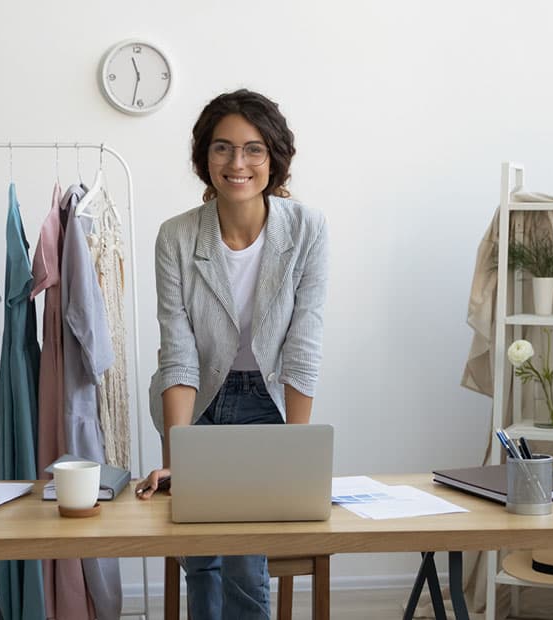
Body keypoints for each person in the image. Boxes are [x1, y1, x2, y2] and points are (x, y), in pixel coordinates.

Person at [136, 89, 329, 620]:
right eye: (222, 148)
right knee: (201, 556)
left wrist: (296, 452)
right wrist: (177, 459)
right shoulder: (176, 236)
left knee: (246, 559)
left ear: (274, 158)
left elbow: (303, 346)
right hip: (197, 401)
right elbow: (178, 352)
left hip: (267, 403)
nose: (237, 163)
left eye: (253, 149)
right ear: (205, 157)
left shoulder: (308, 229)